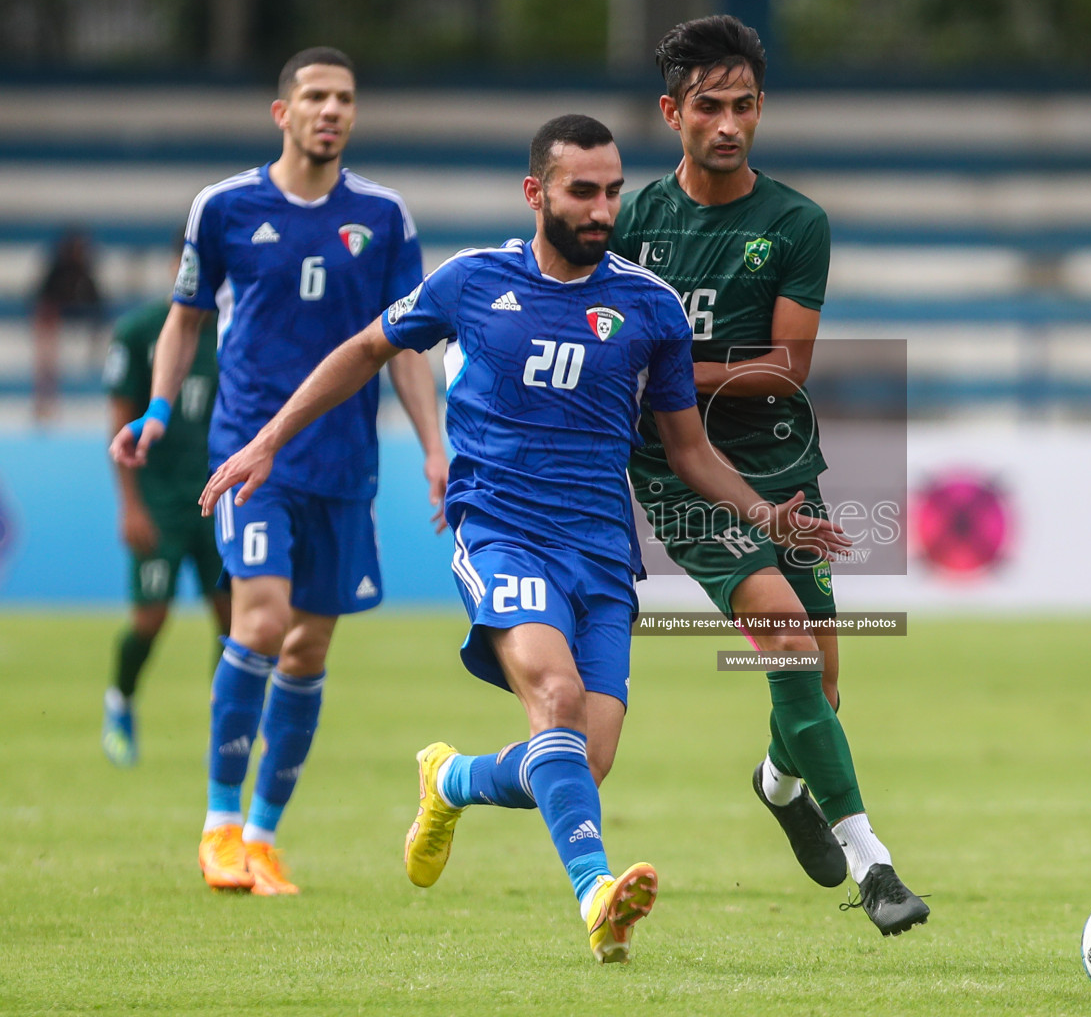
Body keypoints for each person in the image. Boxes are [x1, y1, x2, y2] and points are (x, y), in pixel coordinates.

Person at [198, 114, 849, 963]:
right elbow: (364, 349)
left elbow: (688, 449)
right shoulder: (472, 282)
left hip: (602, 553)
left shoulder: (647, 307)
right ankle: (596, 897)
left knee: (586, 756)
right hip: (502, 532)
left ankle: (452, 779)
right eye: (583, 191)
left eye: (614, 191)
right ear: (536, 192)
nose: (603, 209)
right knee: (555, 695)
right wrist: (268, 439)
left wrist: (763, 513)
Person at [610, 15, 928, 937]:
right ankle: (876, 867)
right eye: (708, 106)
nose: (727, 124)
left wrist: (662, 365)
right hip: (675, 464)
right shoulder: (631, 222)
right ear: (673, 112)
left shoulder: (795, 222)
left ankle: (779, 783)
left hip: (782, 464)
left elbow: (785, 366)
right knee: (784, 632)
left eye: (743, 106)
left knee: (819, 692)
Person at [110, 47, 447, 896]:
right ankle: (219, 826)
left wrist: (434, 448)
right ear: (282, 112)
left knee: (309, 644)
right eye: (316, 97)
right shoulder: (224, 207)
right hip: (250, 454)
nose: (331, 111)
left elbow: (401, 346)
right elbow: (184, 324)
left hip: (345, 463)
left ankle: (262, 836)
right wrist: (155, 409)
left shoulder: (385, 216)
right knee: (259, 621)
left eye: (345, 98)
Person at [101, 254, 229, 767]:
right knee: (150, 618)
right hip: (158, 502)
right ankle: (121, 702)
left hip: (218, 500)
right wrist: (130, 505)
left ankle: (225, 725)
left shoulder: (235, 333)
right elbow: (120, 420)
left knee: (233, 620)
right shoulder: (140, 332)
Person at [33, 229, 105, 423]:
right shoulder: (57, 271)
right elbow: (42, 298)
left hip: (80, 323)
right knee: (46, 326)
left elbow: (97, 302)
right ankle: (46, 400)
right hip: (56, 325)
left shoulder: (85, 271)